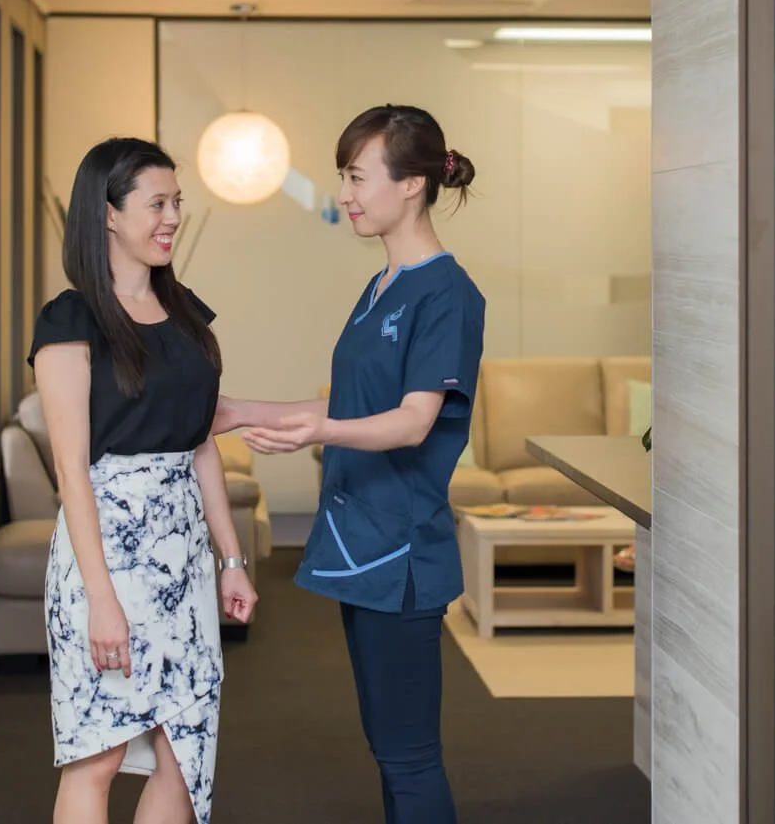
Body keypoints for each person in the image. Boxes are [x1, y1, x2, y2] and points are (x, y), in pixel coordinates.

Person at [212, 104, 485, 824]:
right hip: (362, 543)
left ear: (415, 184)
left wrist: (318, 430)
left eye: (357, 176)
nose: (344, 194)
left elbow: (414, 419)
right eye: (343, 176)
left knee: (409, 755)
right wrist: (245, 410)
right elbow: (353, 402)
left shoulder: (447, 293)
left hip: (401, 553)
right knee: (388, 747)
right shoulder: (380, 287)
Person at [29, 137, 258, 824]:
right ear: (107, 214)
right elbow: (71, 468)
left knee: (183, 750)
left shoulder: (185, 313)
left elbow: (201, 445)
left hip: (181, 559)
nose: (173, 217)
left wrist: (231, 559)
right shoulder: (70, 320)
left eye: (177, 202)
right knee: (97, 752)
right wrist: (101, 598)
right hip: (104, 557)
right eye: (157, 203)